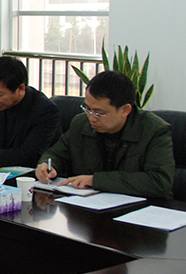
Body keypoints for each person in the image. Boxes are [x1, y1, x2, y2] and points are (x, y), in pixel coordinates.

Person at [36, 70, 174, 199]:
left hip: (139, 211)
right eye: (87, 109)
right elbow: (57, 154)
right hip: (87, 207)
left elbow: (159, 182)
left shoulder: (154, 130)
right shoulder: (81, 124)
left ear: (125, 110)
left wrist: (95, 180)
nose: (91, 118)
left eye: (99, 113)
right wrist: (47, 166)